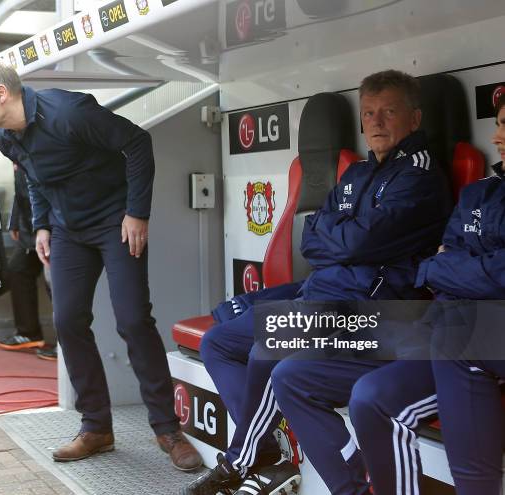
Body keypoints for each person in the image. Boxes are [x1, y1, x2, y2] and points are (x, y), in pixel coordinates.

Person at [183, 69, 453, 495]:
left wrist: (344, 241)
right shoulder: (358, 173)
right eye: (369, 113)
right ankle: (269, 452)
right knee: (219, 342)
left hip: (375, 315)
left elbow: (359, 240)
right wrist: (345, 243)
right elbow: (312, 236)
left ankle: (241, 461)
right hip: (322, 300)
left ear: (415, 119)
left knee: (269, 347)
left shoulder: (420, 176)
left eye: (389, 112)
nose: (377, 122)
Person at [0, 57, 201, 471]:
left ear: (0, 93)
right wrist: (43, 226)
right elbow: (36, 179)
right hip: (68, 231)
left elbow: (137, 143)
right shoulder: (4, 137)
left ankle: (167, 429)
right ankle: (97, 428)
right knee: (67, 321)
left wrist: (137, 212)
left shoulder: (69, 112)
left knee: (133, 319)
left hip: (115, 222)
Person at [350, 94, 505, 495]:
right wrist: (446, 269)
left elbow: (483, 270)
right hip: (451, 324)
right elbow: (439, 265)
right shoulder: (480, 192)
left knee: (454, 334)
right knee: (367, 396)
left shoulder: (418, 175)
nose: (497, 136)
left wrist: (447, 268)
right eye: (499, 123)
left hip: (453, 328)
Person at [0, 164, 52, 355]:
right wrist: (15, 218)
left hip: (53, 224)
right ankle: (29, 333)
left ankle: (67, 345)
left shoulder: (43, 140)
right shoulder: (12, 142)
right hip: (30, 226)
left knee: (55, 283)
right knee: (18, 270)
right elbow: (23, 188)